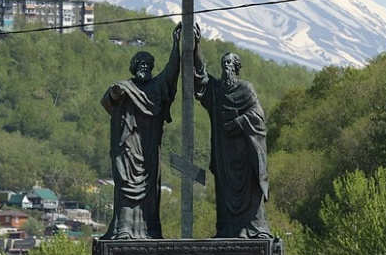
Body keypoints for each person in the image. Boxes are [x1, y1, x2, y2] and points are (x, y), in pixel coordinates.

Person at [100, 26, 181, 240]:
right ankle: (125, 228)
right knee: (126, 189)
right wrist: (115, 93)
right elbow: (107, 100)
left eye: (147, 64)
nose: (144, 67)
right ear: (134, 67)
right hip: (128, 152)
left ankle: (148, 230)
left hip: (149, 151)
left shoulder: (156, 88)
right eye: (140, 64)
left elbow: (171, 73)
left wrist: (176, 45)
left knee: (149, 193)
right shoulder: (124, 87)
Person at [193, 30, 270, 238]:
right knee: (225, 195)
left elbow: (258, 117)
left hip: (245, 152)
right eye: (223, 64)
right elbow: (200, 77)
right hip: (225, 154)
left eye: (229, 64)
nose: (226, 67)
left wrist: (237, 122)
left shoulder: (246, 89)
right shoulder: (217, 91)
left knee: (250, 192)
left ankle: (254, 229)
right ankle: (228, 229)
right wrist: (196, 46)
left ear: (236, 68)